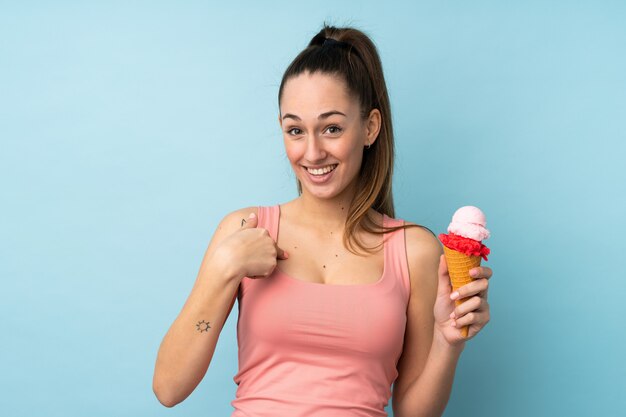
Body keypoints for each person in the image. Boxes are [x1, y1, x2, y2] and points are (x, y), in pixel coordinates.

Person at [152, 23, 493, 417]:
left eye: (332, 128)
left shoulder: (414, 250)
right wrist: (224, 269)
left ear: (370, 128)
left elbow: (414, 413)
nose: (312, 152)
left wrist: (448, 342)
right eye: (295, 130)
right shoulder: (245, 231)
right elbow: (168, 387)